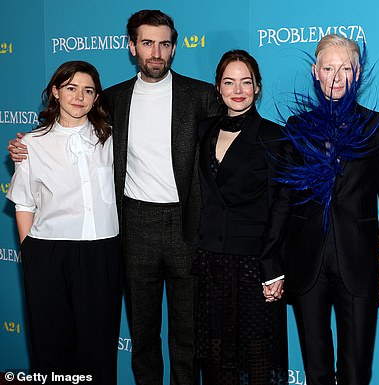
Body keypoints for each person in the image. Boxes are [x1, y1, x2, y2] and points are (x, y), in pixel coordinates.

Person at [8, 10, 219, 385]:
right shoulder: (113, 99)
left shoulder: (201, 95)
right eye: (147, 43)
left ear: (174, 48)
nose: (156, 52)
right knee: (141, 336)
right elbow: (63, 134)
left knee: (188, 336)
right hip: (133, 226)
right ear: (132, 47)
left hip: (186, 226)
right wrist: (24, 146)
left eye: (164, 44)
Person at [264, 34, 379, 385]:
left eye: (345, 68)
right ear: (315, 72)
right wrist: (271, 264)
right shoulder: (296, 127)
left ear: (358, 72)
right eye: (328, 67)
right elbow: (282, 199)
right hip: (306, 263)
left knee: (356, 371)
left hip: (358, 263)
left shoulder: (377, 126)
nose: (336, 76)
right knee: (315, 371)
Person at [6, 61, 120, 384]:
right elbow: (24, 203)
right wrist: (30, 251)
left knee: (99, 350)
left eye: (88, 90)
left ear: (97, 97)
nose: (79, 97)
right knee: (51, 347)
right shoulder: (31, 144)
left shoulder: (112, 140)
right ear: (55, 92)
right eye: (71, 88)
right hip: (48, 254)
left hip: (102, 254)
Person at [191, 49, 287, 385]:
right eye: (229, 82)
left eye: (246, 82)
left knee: (257, 355)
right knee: (216, 355)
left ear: (258, 87)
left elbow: (281, 206)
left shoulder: (273, 136)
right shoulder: (202, 131)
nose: (238, 89)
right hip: (209, 260)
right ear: (217, 87)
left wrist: (273, 267)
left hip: (253, 262)